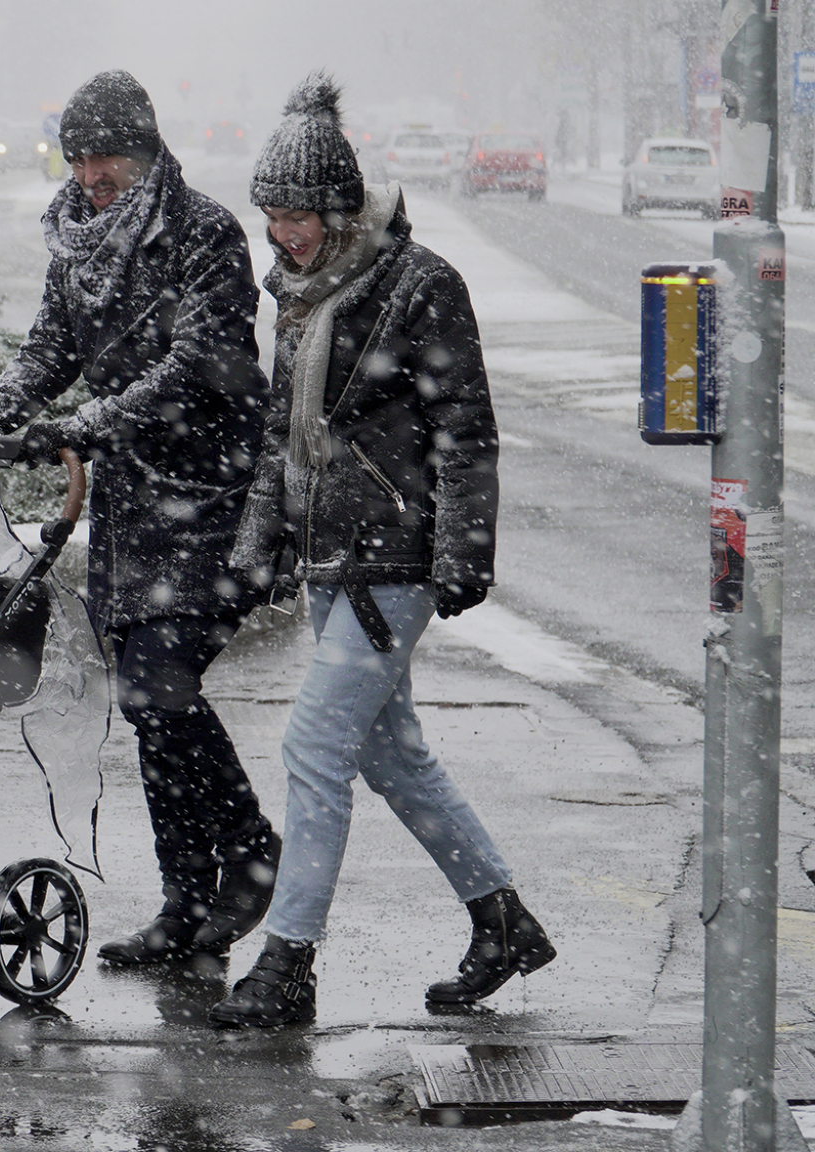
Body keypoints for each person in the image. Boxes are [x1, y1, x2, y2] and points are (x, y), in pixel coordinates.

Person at [209, 72, 554, 1028]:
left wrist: (463, 552)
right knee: (393, 756)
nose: (281, 233)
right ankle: (502, 919)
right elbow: (286, 433)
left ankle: (287, 965)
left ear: (339, 206)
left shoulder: (420, 286)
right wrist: (255, 551)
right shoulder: (300, 293)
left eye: (296, 215)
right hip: (329, 557)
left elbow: (466, 430)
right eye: (271, 215)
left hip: (392, 560)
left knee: (315, 747)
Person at [0, 70, 280, 968]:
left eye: (108, 163)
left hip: (211, 492)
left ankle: (250, 858)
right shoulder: (76, 243)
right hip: (135, 505)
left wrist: (87, 424)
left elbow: (198, 363)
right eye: (80, 161)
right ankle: (186, 900)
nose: (92, 178)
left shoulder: (205, 234)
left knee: (159, 686)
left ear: (147, 153)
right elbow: (48, 350)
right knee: (145, 705)